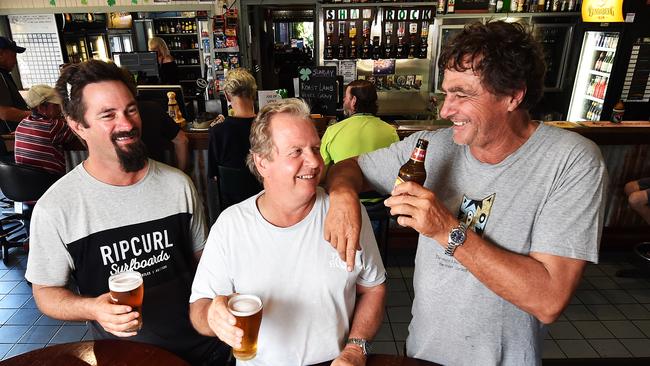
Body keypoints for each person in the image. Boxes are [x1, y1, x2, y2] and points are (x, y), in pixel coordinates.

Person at [324, 21, 608, 365]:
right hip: (421, 354)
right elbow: (347, 168)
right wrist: (342, 198)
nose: (445, 110)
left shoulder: (570, 160)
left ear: (513, 95)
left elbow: (549, 300)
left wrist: (445, 229)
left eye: (462, 95)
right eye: (446, 93)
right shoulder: (433, 145)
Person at [24, 60, 230, 366]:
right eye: (108, 115)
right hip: (128, 358)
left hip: (206, 349)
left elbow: (205, 263)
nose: (127, 123)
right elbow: (46, 292)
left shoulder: (177, 185)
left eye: (130, 109)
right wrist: (93, 308)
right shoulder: (57, 207)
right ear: (77, 125)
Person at [189, 98, 387, 366]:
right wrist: (212, 314)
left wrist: (355, 348)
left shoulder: (345, 213)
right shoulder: (231, 225)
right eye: (296, 152)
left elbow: (373, 289)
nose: (315, 162)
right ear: (262, 163)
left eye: (315, 148)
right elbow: (199, 307)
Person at [207, 68, 260, 220]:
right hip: (267, 207)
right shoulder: (267, 127)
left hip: (233, 214)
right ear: (253, 93)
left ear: (227, 96)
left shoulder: (218, 132)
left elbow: (214, 176)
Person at [320, 79, 398, 175]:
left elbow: (321, 170)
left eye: (346, 97)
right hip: (380, 189)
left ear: (353, 101)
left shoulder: (332, 131)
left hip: (345, 186)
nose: (344, 100)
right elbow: (395, 165)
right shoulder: (390, 132)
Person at [14, 84, 74, 174]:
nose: (60, 109)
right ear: (41, 108)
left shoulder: (22, 123)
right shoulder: (53, 125)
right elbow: (77, 131)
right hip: (50, 181)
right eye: (56, 106)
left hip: (24, 181)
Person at [138, 99, 189, 172]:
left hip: (121, 179)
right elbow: (182, 140)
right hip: (157, 174)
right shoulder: (151, 108)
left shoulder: (151, 108)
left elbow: (182, 140)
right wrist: (181, 174)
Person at [0, 36, 30, 133]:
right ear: (0, 54)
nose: (16, 62)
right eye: (13, 56)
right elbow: (4, 113)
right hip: (7, 138)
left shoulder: (4, 74)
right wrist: (36, 116)